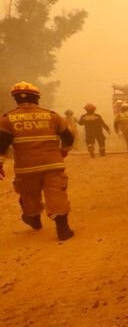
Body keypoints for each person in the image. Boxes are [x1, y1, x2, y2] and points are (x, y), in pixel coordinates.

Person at [0, 82, 75, 240]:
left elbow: (2, 144)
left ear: (15, 99)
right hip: (53, 164)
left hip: (26, 168)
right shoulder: (52, 116)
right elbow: (68, 137)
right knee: (56, 194)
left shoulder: (7, 119)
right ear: (37, 97)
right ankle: (63, 228)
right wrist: (63, 151)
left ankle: (33, 217)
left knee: (28, 195)